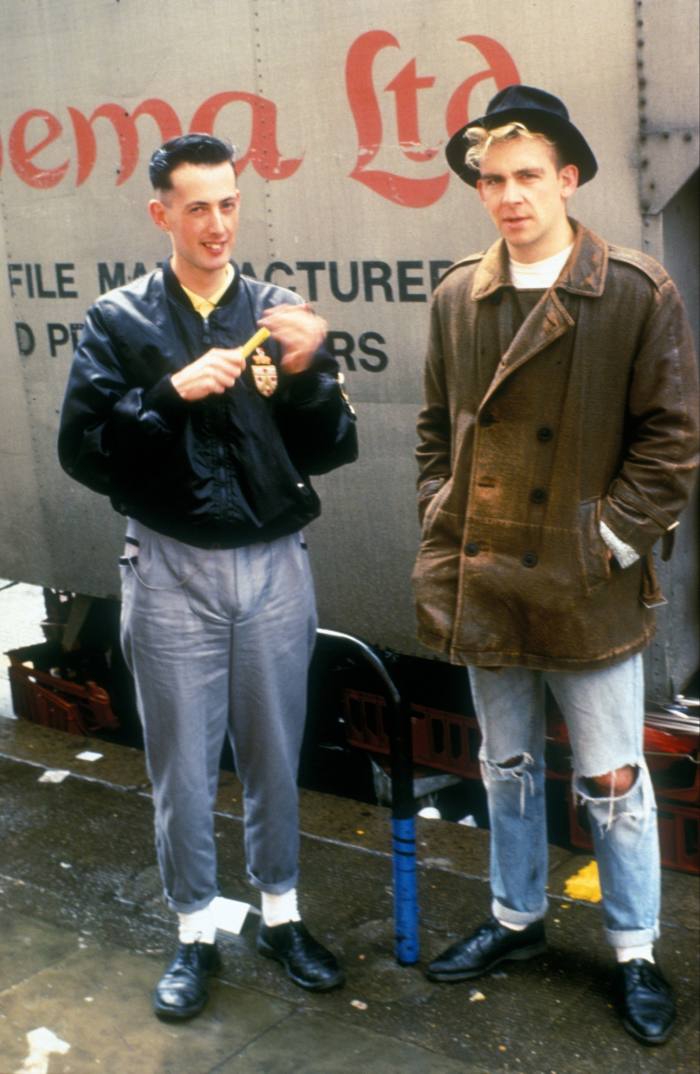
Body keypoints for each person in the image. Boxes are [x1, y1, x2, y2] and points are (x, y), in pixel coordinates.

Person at [413, 85, 698, 1046]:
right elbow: (433, 431)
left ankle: (634, 950)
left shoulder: (632, 289)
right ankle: (515, 922)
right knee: (506, 766)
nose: (509, 195)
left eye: (529, 175)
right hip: (488, 573)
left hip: (587, 584)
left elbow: (670, 447)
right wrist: (442, 516)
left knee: (613, 781)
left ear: (568, 178)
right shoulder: (460, 294)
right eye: (491, 179)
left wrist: (604, 542)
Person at [58, 133, 356, 1021]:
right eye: (196, 207)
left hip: (273, 567)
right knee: (181, 767)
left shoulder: (277, 310)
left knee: (275, 752)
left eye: (228, 203)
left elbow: (331, 448)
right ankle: (192, 931)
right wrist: (163, 396)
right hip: (171, 567)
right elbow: (81, 452)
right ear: (162, 215)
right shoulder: (121, 321)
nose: (217, 223)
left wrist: (306, 378)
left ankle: (281, 915)